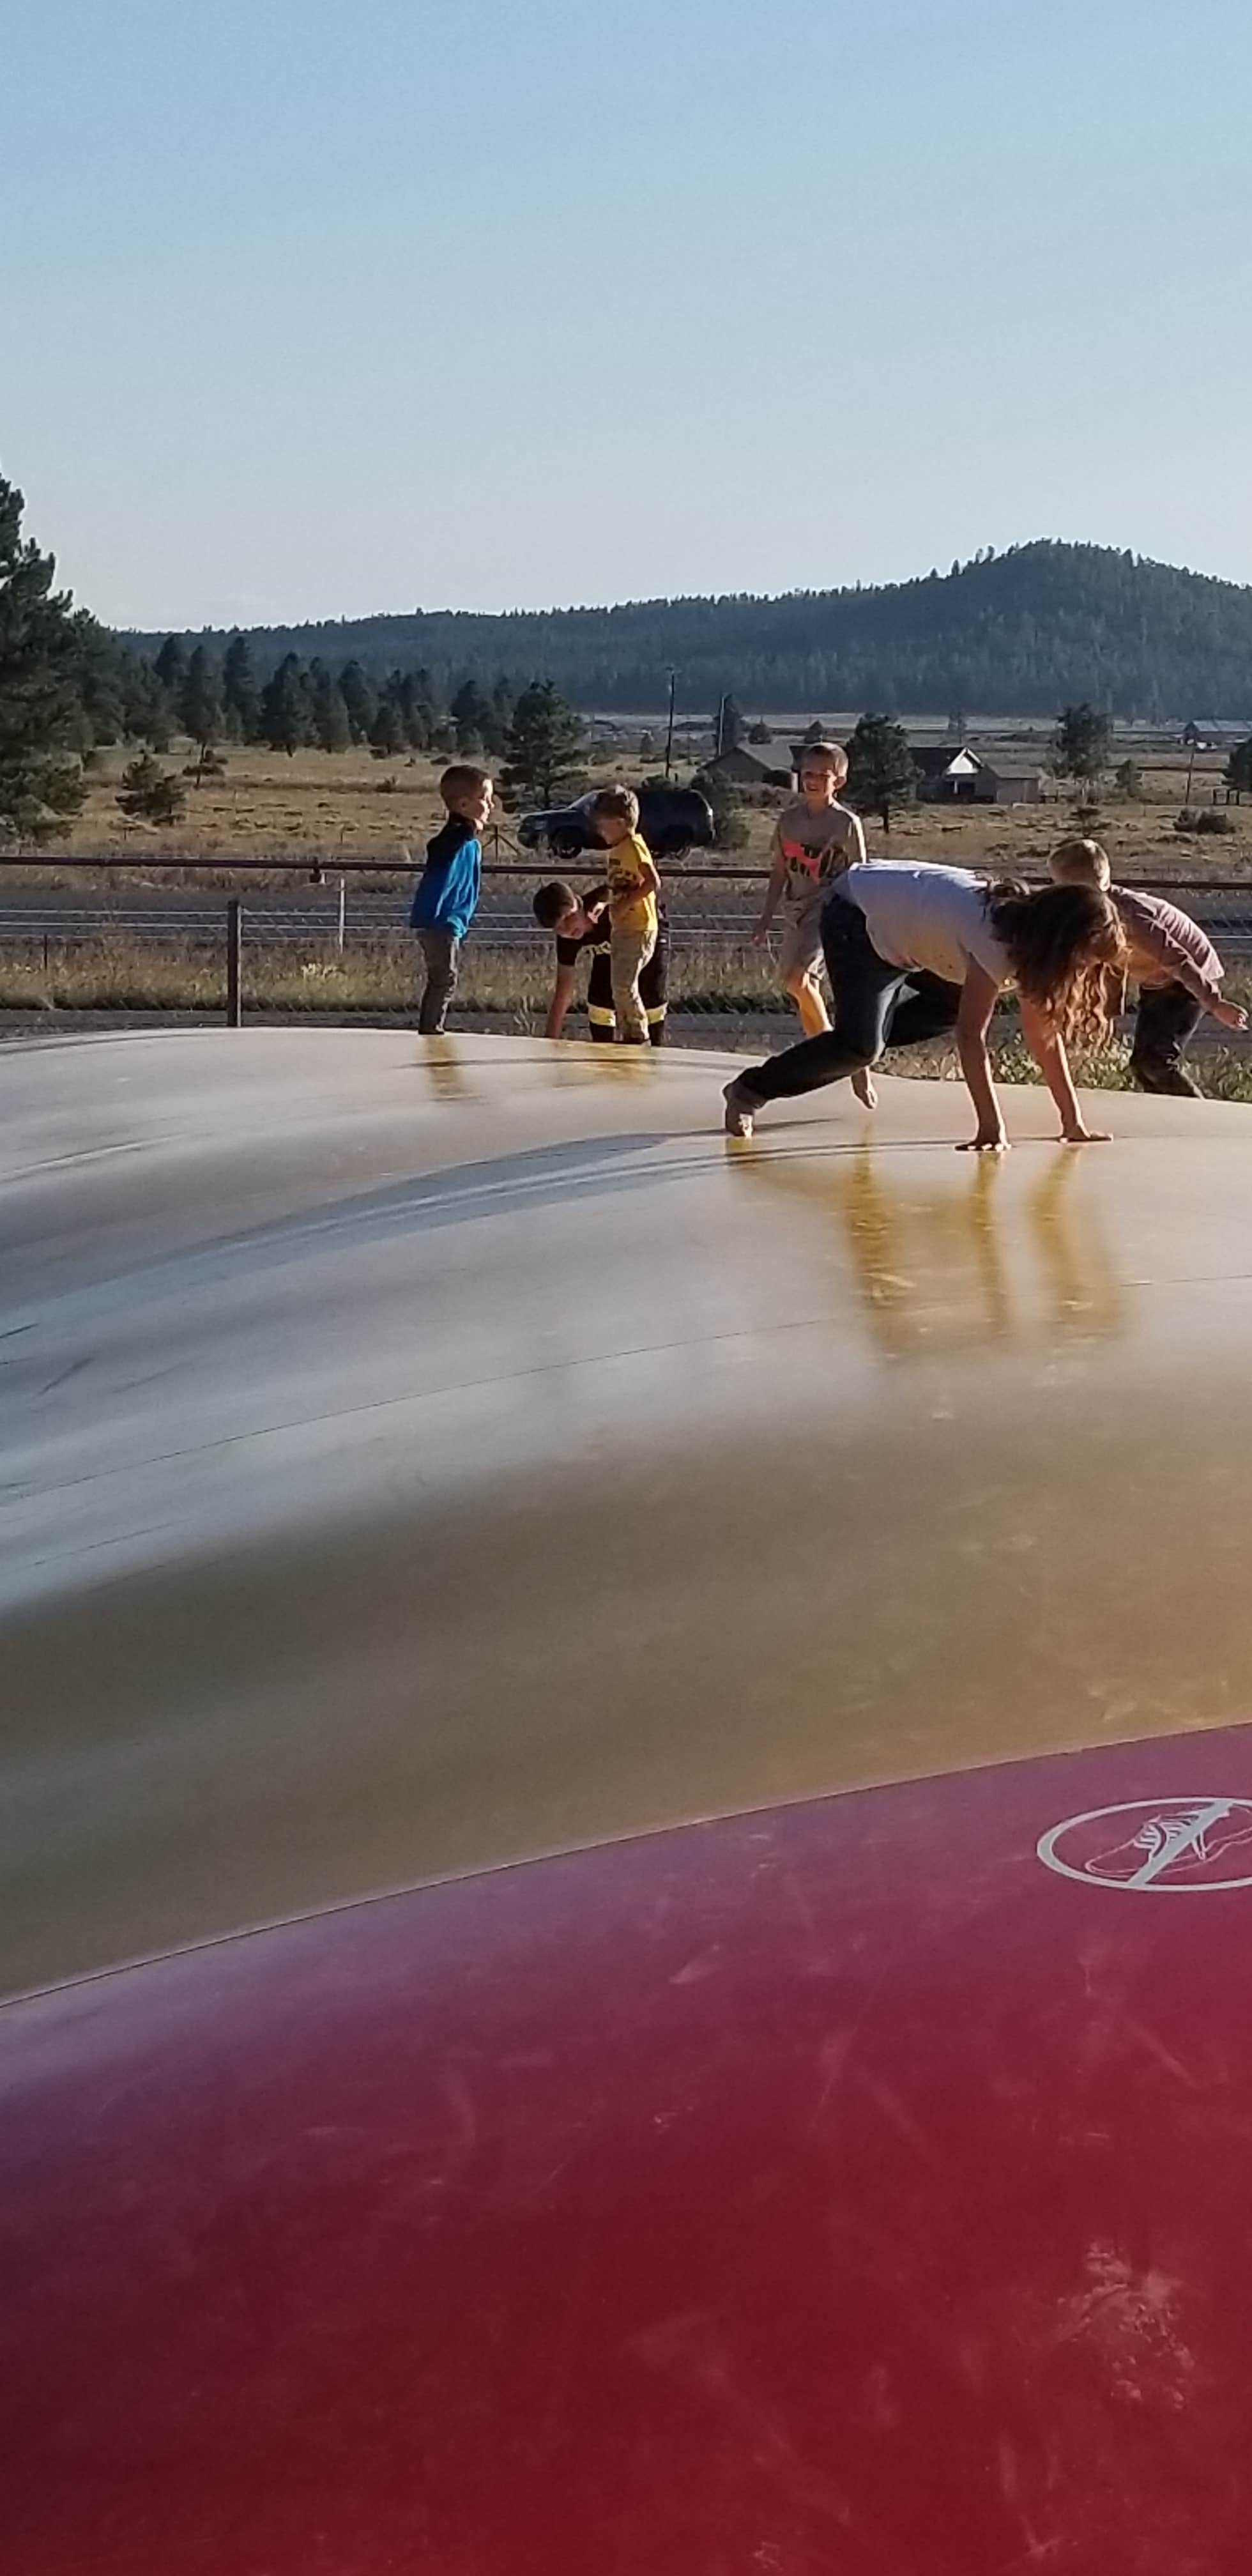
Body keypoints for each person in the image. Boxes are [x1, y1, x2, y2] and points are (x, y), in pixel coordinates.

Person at [722, 859, 1124, 1151]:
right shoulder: (996, 941)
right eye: (1086, 959)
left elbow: (1044, 1038)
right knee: (860, 1046)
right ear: (1060, 941)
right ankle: (748, 1091)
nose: (1085, 972)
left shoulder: (1028, 941)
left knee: (939, 1011)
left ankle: (857, 1037)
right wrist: (990, 1127)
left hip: (911, 934)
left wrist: (1073, 1123)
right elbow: (971, 1039)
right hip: (856, 915)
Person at [1048, 837, 1246, 1095]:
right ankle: (1169, 1117)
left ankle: (1199, 1115)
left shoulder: (1132, 917)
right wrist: (1105, 1014)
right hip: (1157, 979)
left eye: (1060, 889)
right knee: (1143, 1065)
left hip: (1189, 975)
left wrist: (1215, 1003)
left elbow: (1178, 958)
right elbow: (1107, 963)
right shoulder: (1093, 917)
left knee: (1156, 1061)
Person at [754, 739, 876, 1109]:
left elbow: (861, 873)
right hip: (796, 910)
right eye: (807, 774)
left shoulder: (846, 824)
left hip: (830, 908)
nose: (812, 781)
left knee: (799, 978)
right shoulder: (789, 821)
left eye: (821, 776)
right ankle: (833, 1055)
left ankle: (843, 1058)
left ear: (838, 781)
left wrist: (865, 920)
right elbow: (779, 871)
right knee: (794, 985)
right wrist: (766, 917)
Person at [407, 764, 492, 1034]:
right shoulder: (451, 841)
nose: (491, 806)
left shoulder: (472, 845)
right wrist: (469, 827)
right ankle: (431, 1028)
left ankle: (433, 1025)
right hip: (439, 921)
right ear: (465, 804)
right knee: (444, 978)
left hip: (452, 921)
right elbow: (441, 847)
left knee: (445, 977)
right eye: (485, 799)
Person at [532, 879, 669, 1045]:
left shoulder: (602, 906)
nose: (568, 929)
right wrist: (550, 1042)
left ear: (578, 902)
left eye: (570, 917)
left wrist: (612, 903)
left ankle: (653, 1046)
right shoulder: (567, 940)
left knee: (651, 996)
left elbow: (620, 890)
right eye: (560, 928)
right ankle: (604, 1057)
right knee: (600, 1001)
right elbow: (563, 989)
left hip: (645, 934)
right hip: (612, 951)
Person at [585, 786, 660, 1044]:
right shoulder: (617, 852)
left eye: (603, 826)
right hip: (622, 927)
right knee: (618, 985)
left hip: (638, 927)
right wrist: (604, 903)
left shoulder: (634, 847)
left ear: (619, 823)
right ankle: (628, 1032)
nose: (600, 832)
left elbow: (652, 883)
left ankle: (638, 1034)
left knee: (625, 985)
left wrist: (625, 904)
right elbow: (618, 886)